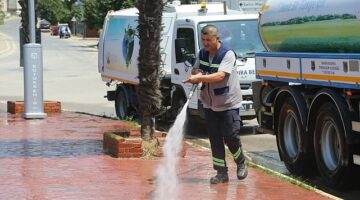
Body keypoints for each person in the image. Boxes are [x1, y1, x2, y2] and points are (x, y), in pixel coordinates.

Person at [183, 25, 247, 184]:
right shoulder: (203, 53)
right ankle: (221, 173)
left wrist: (200, 78)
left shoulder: (227, 54)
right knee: (215, 139)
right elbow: (195, 69)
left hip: (228, 104)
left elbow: (220, 76)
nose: (205, 43)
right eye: (203, 40)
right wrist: (195, 74)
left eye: (208, 40)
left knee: (231, 136)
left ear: (216, 38)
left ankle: (241, 162)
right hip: (209, 104)